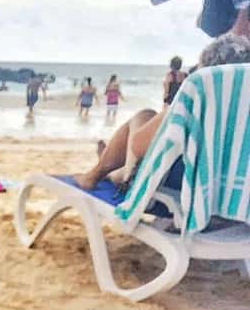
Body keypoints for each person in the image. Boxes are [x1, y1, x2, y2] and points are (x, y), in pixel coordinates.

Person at [76, 32, 250, 192]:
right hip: (227, 198)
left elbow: (137, 147)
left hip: (174, 192)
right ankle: (109, 167)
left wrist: (170, 108)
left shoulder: (196, 104)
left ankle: (97, 172)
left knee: (144, 116)